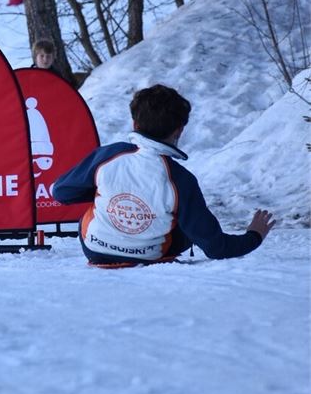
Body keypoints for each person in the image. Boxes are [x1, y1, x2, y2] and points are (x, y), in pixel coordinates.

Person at [52, 83, 276, 268]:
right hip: (150, 256)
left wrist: (104, 190)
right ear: (179, 130)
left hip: (95, 249)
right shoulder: (181, 179)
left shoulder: (108, 156)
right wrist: (253, 236)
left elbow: (60, 192)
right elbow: (216, 248)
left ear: (134, 124)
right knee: (185, 219)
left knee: (94, 210)